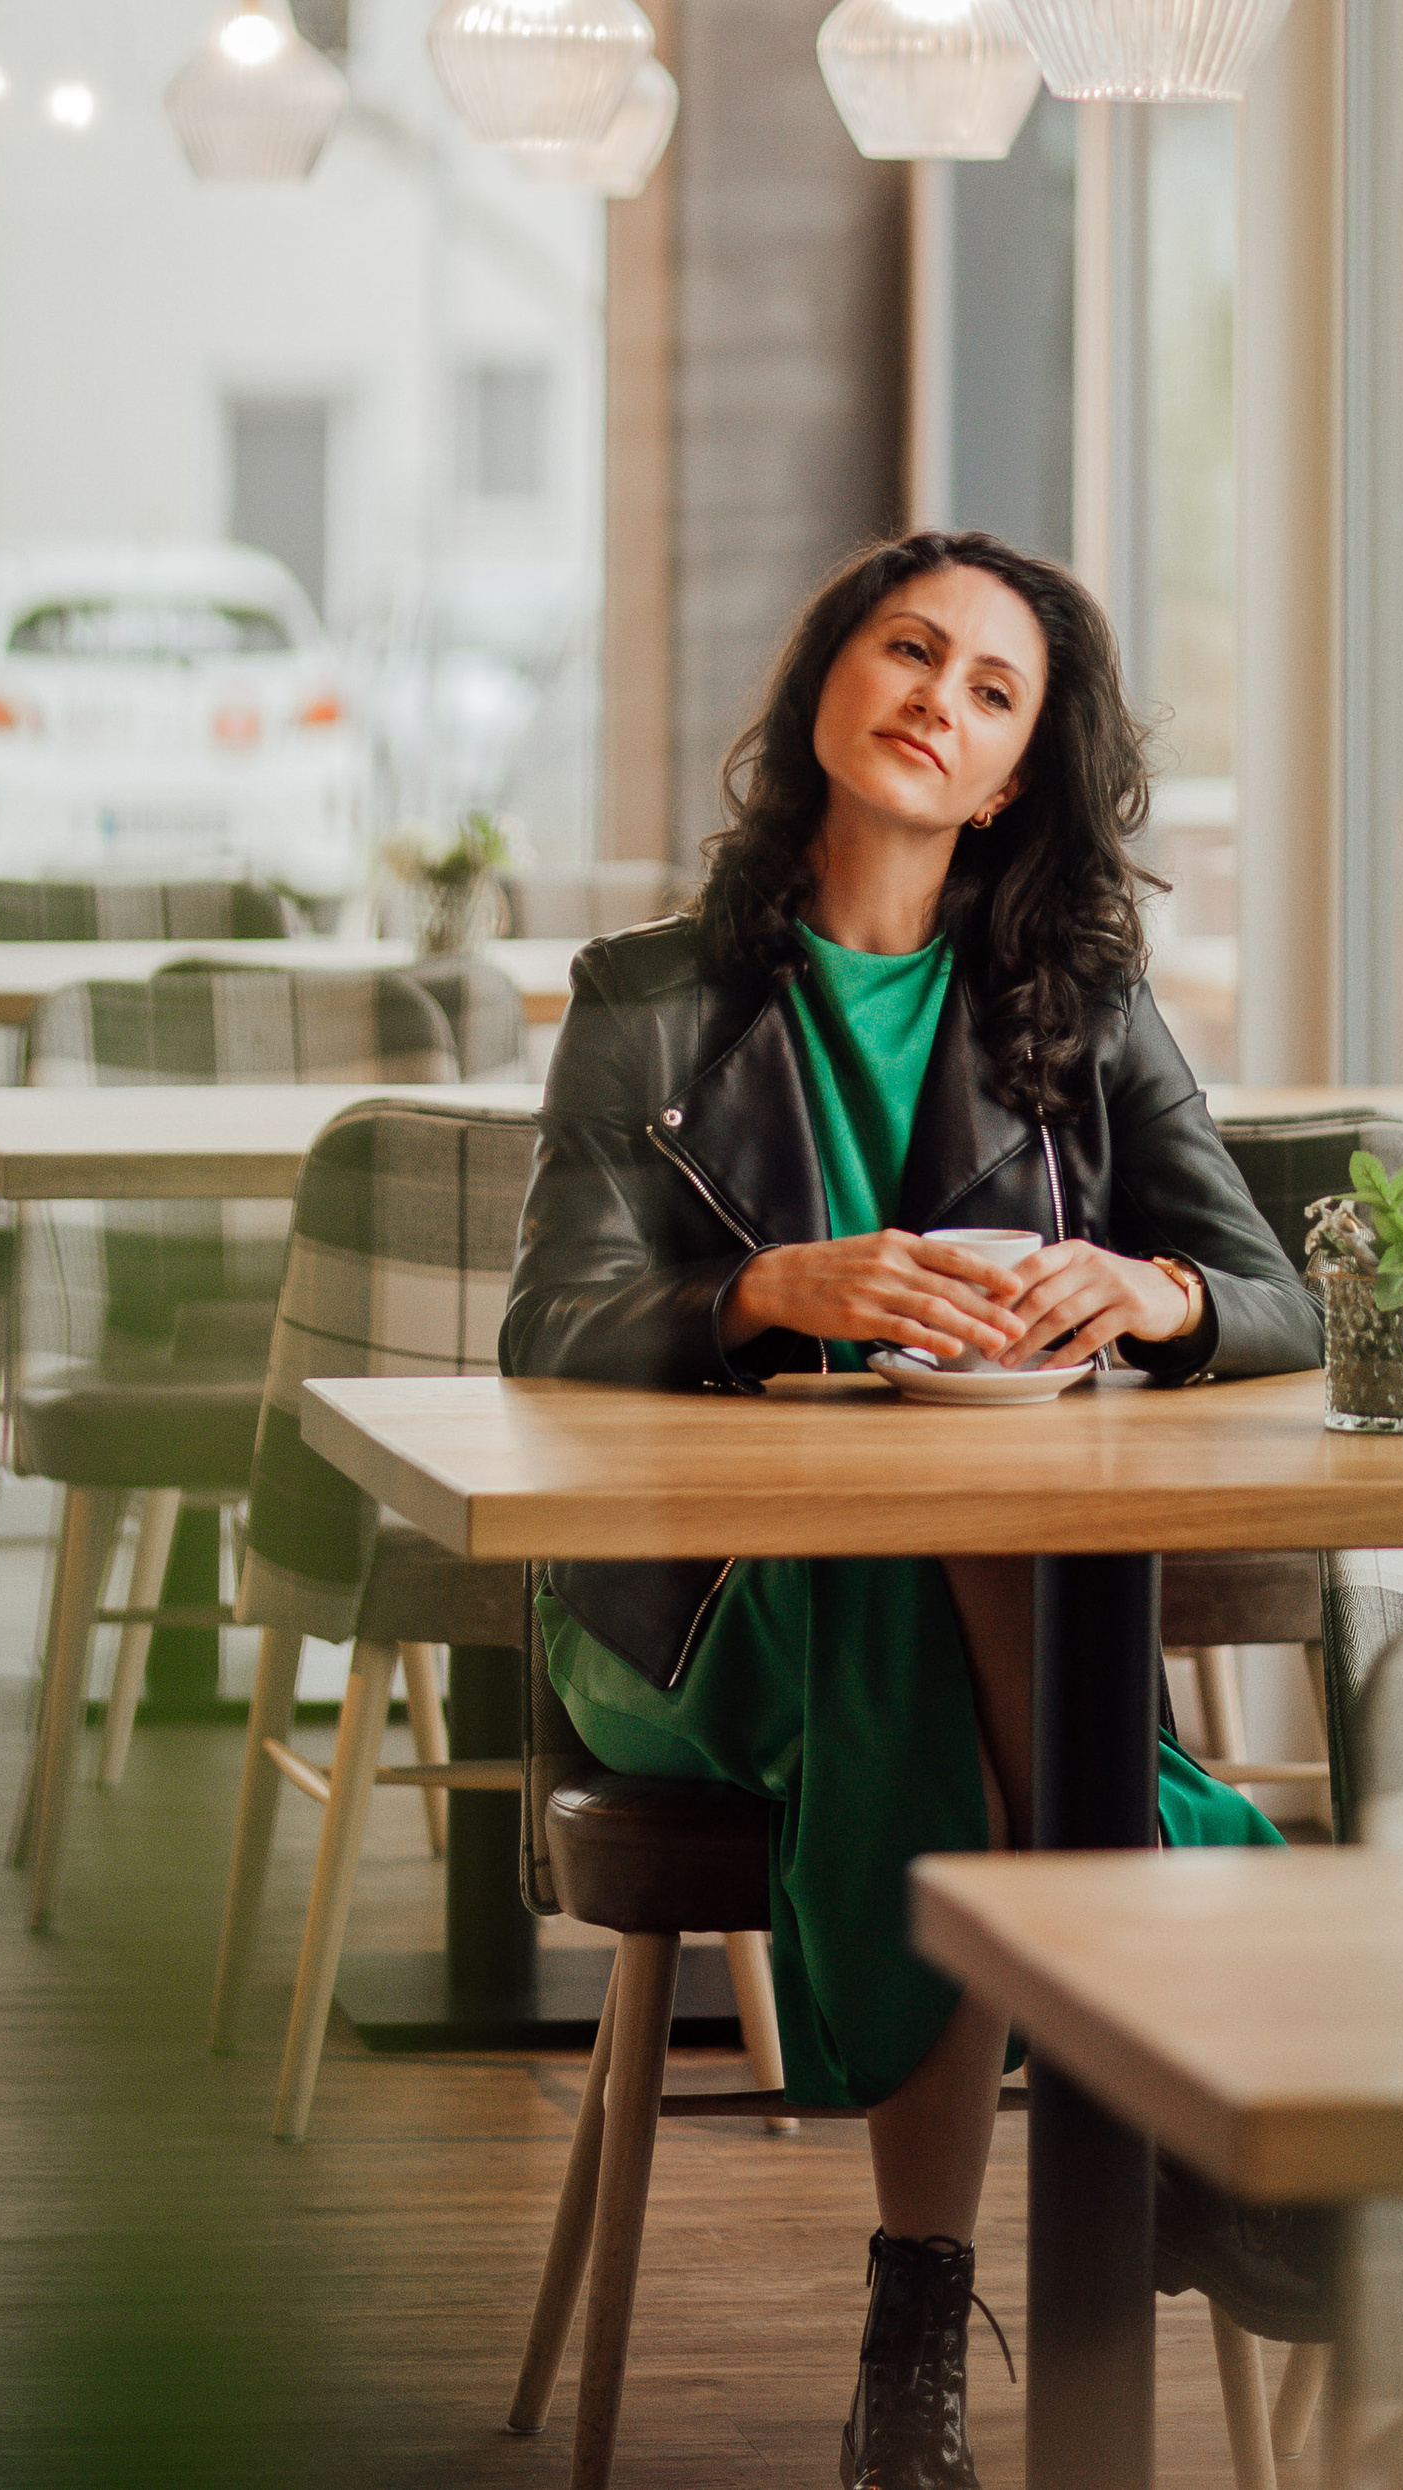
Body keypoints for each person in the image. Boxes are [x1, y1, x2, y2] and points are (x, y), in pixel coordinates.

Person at [501, 528, 1326, 2489]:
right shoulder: (643, 1000)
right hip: (683, 1620)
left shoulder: (1083, 1011)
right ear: (823, 682)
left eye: (987, 691)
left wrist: (1151, 1292)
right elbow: (545, 1327)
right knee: (915, 1583)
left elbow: (1272, 1294)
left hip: (946, 1621)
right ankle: (1176, 2020)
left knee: (926, 1591)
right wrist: (760, 1291)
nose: (931, 702)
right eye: (905, 651)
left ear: (1017, 771)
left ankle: (914, 2335)